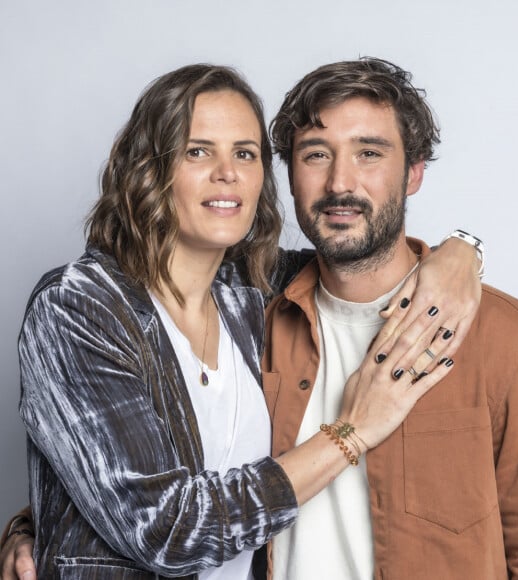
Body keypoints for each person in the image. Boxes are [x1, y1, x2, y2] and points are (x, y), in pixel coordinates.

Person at [0, 63, 482, 579]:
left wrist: (461, 253)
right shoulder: (77, 308)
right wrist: (351, 431)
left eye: (245, 154)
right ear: (148, 169)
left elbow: (362, 259)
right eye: (197, 150)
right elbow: (165, 531)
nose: (227, 172)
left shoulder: (254, 293)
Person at [261, 57, 518, 579]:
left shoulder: (514, 342)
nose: (341, 182)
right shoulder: (253, 321)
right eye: (316, 154)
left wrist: (465, 248)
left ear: (413, 173)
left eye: (369, 153)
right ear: (291, 176)